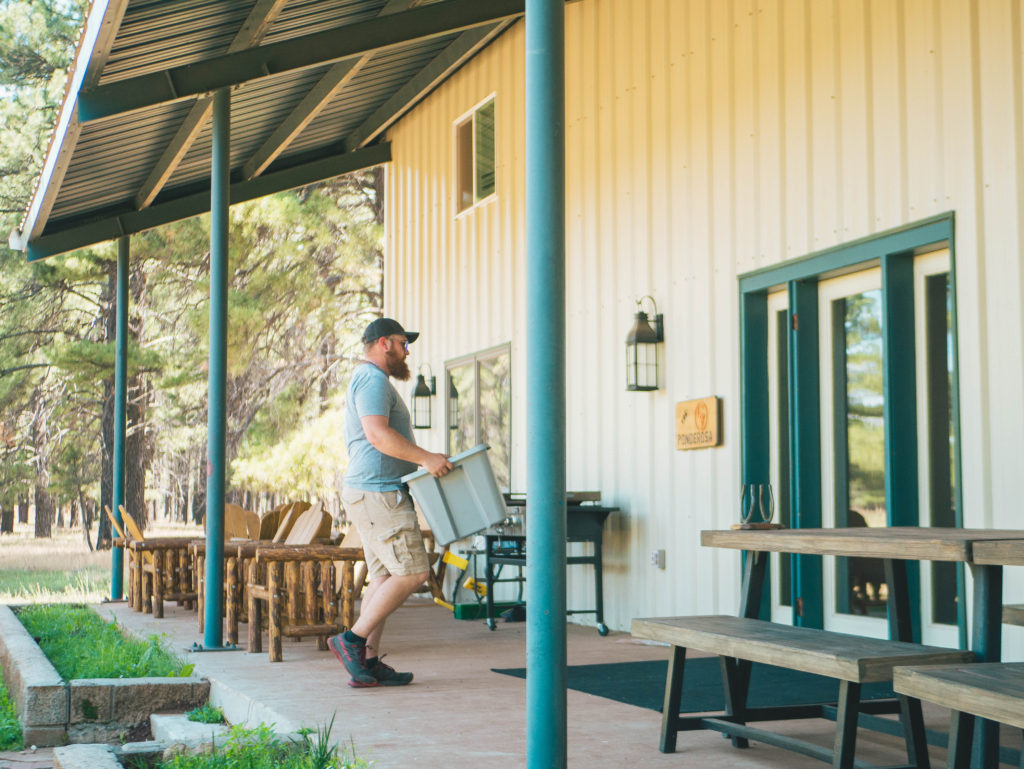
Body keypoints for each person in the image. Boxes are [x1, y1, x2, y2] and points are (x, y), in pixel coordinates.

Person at [329, 317, 453, 688]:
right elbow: (377, 435)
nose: (407, 350)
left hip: (373, 491)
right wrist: (425, 458)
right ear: (383, 343)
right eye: (402, 343)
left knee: (383, 576)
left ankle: (365, 661)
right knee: (413, 572)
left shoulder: (371, 380)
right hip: (378, 491)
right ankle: (351, 641)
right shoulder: (371, 380)